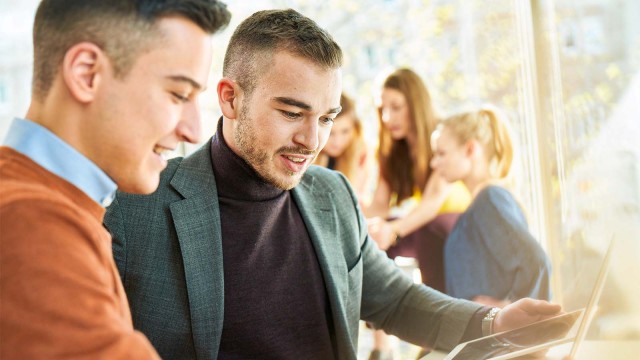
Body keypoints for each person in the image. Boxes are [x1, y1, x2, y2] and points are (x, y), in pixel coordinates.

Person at [103, 9, 561, 360]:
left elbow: (395, 301)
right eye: (291, 113)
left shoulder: (332, 195)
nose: (312, 140)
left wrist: (495, 321)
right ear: (230, 98)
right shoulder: (134, 208)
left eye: (326, 118)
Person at [0, 1, 230, 358]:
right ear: (86, 73)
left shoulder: (46, 202)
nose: (193, 130)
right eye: (178, 95)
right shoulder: (30, 224)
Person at [365, 68, 471, 358]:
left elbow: (433, 203)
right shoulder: (390, 151)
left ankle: (439, 331)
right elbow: (379, 206)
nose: (388, 117)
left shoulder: (440, 137)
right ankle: (381, 345)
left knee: (425, 229)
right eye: (383, 109)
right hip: (419, 224)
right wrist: (357, 223)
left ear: (416, 104)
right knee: (373, 239)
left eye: (396, 107)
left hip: (452, 221)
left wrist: (394, 229)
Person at [430, 106, 552, 308]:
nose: (434, 163)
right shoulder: (481, 204)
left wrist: (507, 309)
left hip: (497, 337)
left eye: (441, 153)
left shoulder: (490, 199)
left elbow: (536, 263)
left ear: (470, 149)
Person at [314, 92, 372, 200]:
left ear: (355, 128)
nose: (337, 142)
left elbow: (357, 198)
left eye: (345, 131)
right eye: (331, 133)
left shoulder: (360, 152)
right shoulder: (307, 154)